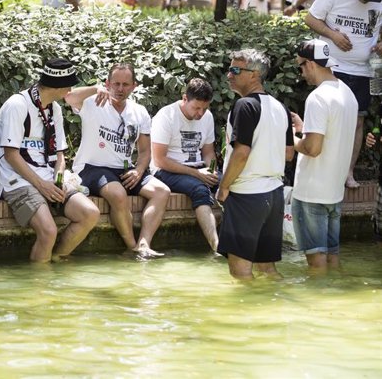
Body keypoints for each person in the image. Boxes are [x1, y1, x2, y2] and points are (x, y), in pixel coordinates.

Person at [0, 58, 99, 262]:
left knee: (90, 213)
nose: (71, 89)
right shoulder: (17, 105)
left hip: (47, 176)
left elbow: (60, 154)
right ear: (59, 86)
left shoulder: (55, 109)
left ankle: (56, 259)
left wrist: (59, 179)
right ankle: (40, 286)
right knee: (48, 231)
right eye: (70, 84)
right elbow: (10, 154)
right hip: (17, 178)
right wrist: (42, 186)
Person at [66, 64, 170, 258]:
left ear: (133, 86)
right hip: (91, 167)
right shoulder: (93, 102)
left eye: (125, 84)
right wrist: (95, 89)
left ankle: (144, 243)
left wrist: (139, 170)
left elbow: (145, 151)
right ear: (108, 84)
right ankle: (132, 248)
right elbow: (69, 97)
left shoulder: (139, 112)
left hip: (124, 169)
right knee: (118, 194)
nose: (120, 89)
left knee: (162, 192)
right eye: (116, 84)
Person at [216, 49, 295, 280]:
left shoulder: (244, 105)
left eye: (235, 70)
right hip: (274, 195)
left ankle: (247, 314)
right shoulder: (281, 107)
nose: (229, 75)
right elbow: (289, 154)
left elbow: (241, 153)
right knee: (267, 269)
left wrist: (224, 187)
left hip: (247, 196)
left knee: (239, 272)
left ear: (254, 75)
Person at [305, 0, 382, 188]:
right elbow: (311, 19)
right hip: (334, 67)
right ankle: (324, 171)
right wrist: (333, 35)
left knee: (357, 122)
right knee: (329, 121)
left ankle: (348, 173)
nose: (368, 1)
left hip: (365, 70)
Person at [290, 39, 357, 273]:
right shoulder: (347, 93)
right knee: (333, 259)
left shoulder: (317, 98)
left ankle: (318, 307)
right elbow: (332, 135)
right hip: (334, 193)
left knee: (316, 265)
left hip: (311, 193)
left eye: (300, 67)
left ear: (310, 64)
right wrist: (303, 128)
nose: (301, 74)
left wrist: (289, 139)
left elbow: (313, 149)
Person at [151, 78, 219, 251]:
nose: (200, 113)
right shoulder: (166, 116)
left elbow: (208, 153)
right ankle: (217, 246)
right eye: (196, 108)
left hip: (198, 168)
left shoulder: (207, 117)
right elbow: (159, 159)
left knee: (230, 183)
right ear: (185, 98)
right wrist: (197, 174)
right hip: (166, 170)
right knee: (199, 189)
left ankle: (237, 240)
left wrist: (212, 171)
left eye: (205, 108)